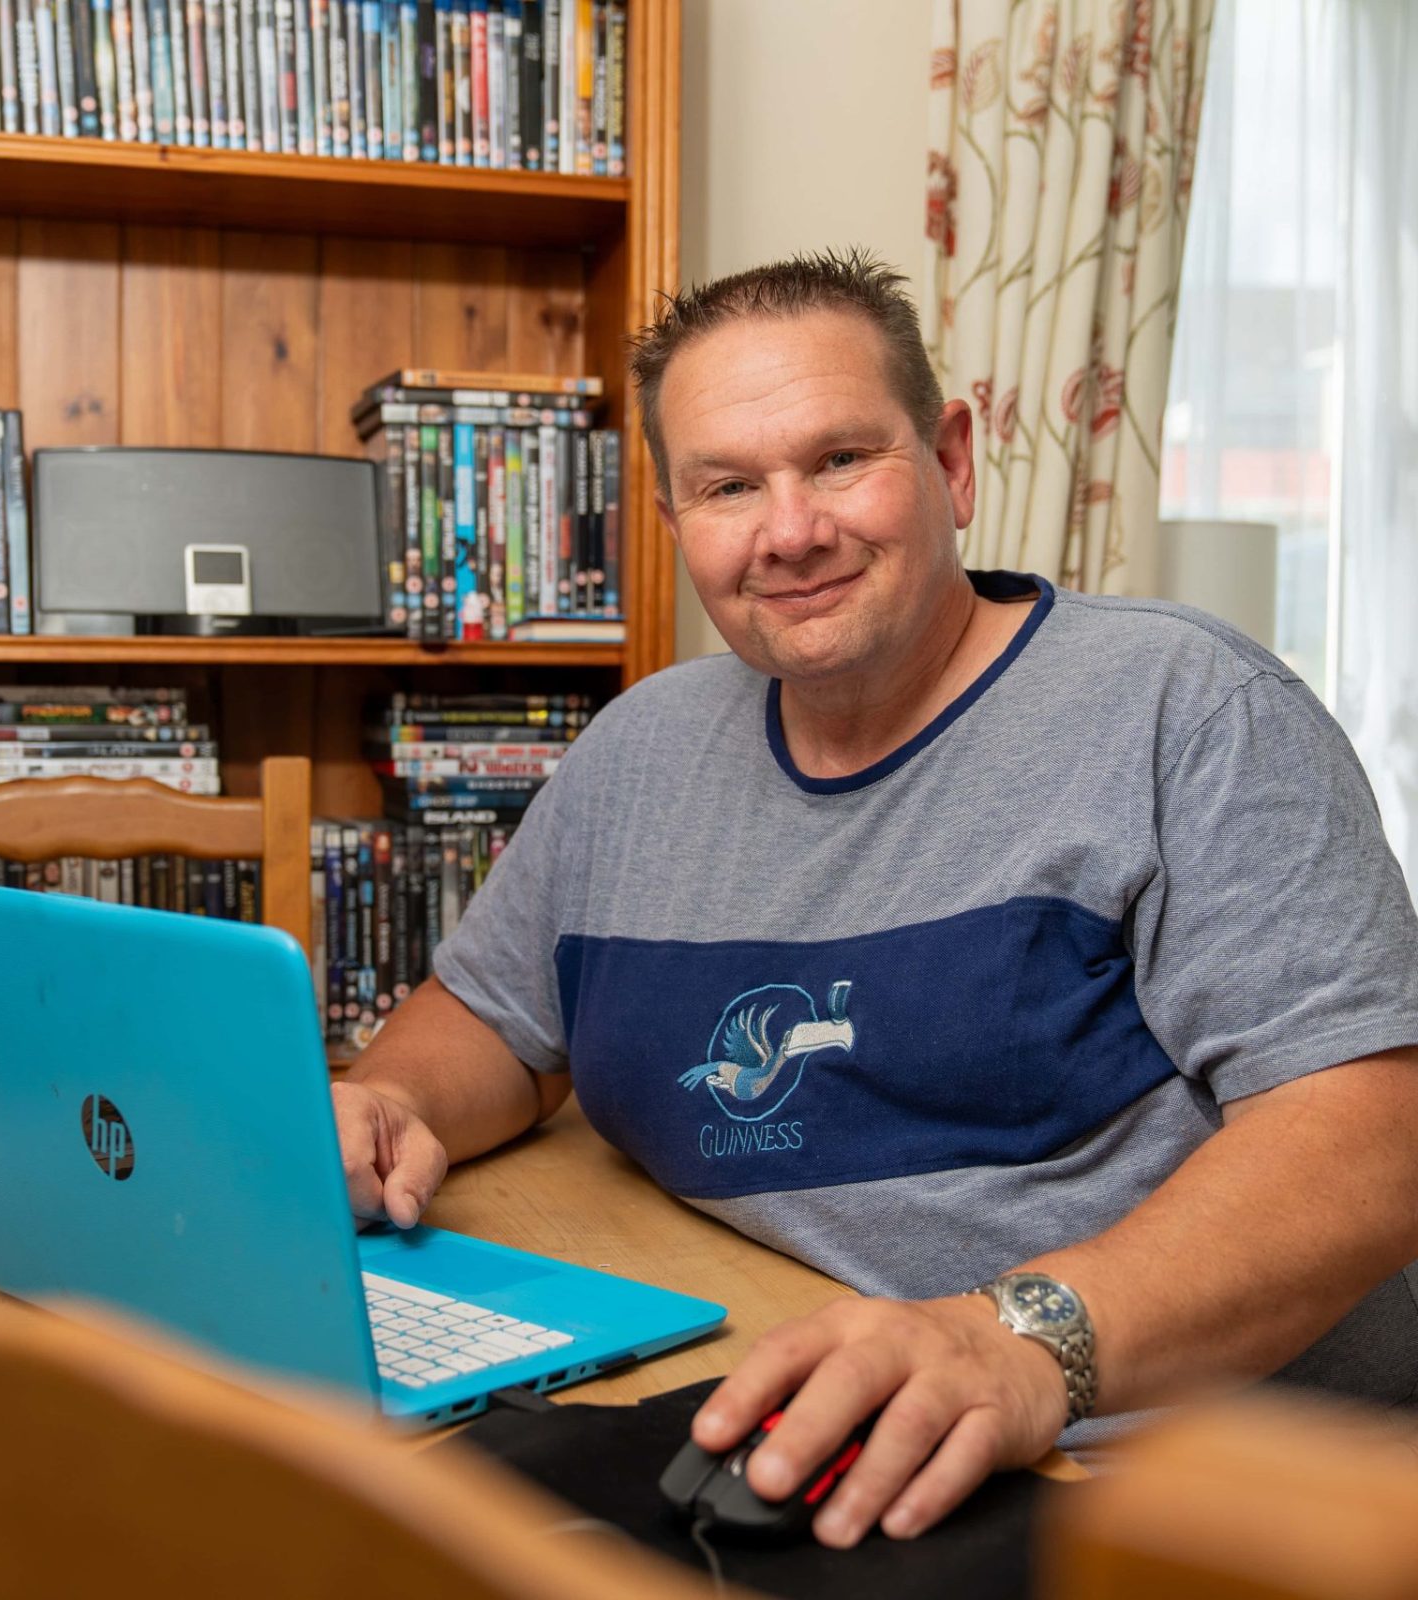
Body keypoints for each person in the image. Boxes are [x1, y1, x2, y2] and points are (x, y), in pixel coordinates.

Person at [334, 249, 1418, 1548]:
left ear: (952, 460)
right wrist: (391, 1102)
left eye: (841, 459)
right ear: (677, 525)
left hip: (1138, 1468)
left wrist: (1022, 1343)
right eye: (730, 487)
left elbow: (1368, 1136)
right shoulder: (638, 751)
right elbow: (494, 1021)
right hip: (753, 1379)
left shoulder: (1190, 711)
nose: (790, 531)